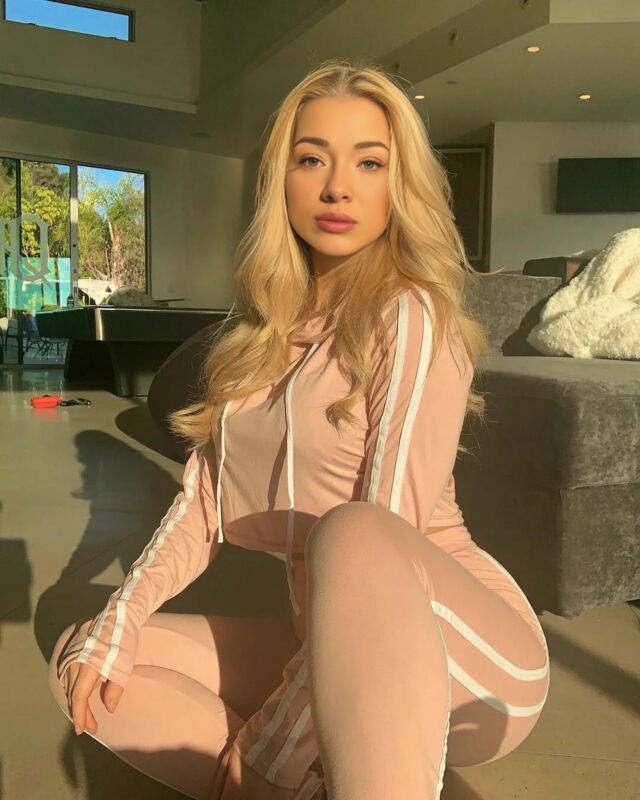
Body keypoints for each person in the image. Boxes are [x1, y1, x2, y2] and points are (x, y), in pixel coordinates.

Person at [48, 57, 550, 800]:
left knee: (356, 533)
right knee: (87, 663)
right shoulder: (257, 334)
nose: (337, 187)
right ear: (279, 179)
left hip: (464, 651)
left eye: (369, 162)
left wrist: (272, 748)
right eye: (312, 159)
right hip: (321, 642)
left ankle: (281, 776)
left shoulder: (411, 315)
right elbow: (203, 504)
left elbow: (385, 534)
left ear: (399, 184)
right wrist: (119, 620)